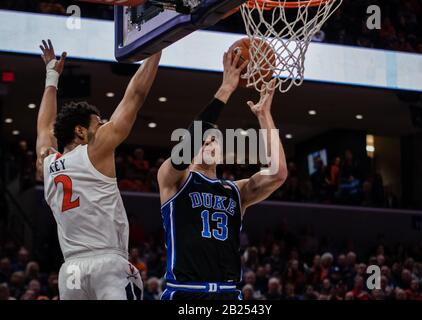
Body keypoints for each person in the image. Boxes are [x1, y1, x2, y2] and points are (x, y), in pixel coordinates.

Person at [157, 48, 287, 300]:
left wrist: (264, 116)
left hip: (229, 294)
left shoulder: (235, 191)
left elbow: (278, 173)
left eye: (214, 140)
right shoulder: (175, 179)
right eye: (204, 140)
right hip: (185, 292)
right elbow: (192, 138)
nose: (209, 142)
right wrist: (226, 88)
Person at [36, 40, 161, 300]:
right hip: (108, 263)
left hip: (70, 270)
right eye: (98, 122)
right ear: (81, 131)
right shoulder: (96, 149)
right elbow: (135, 96)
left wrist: (51, 76)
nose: (104, 125)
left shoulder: (47, 163)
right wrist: (159, 44)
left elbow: (44, 128)